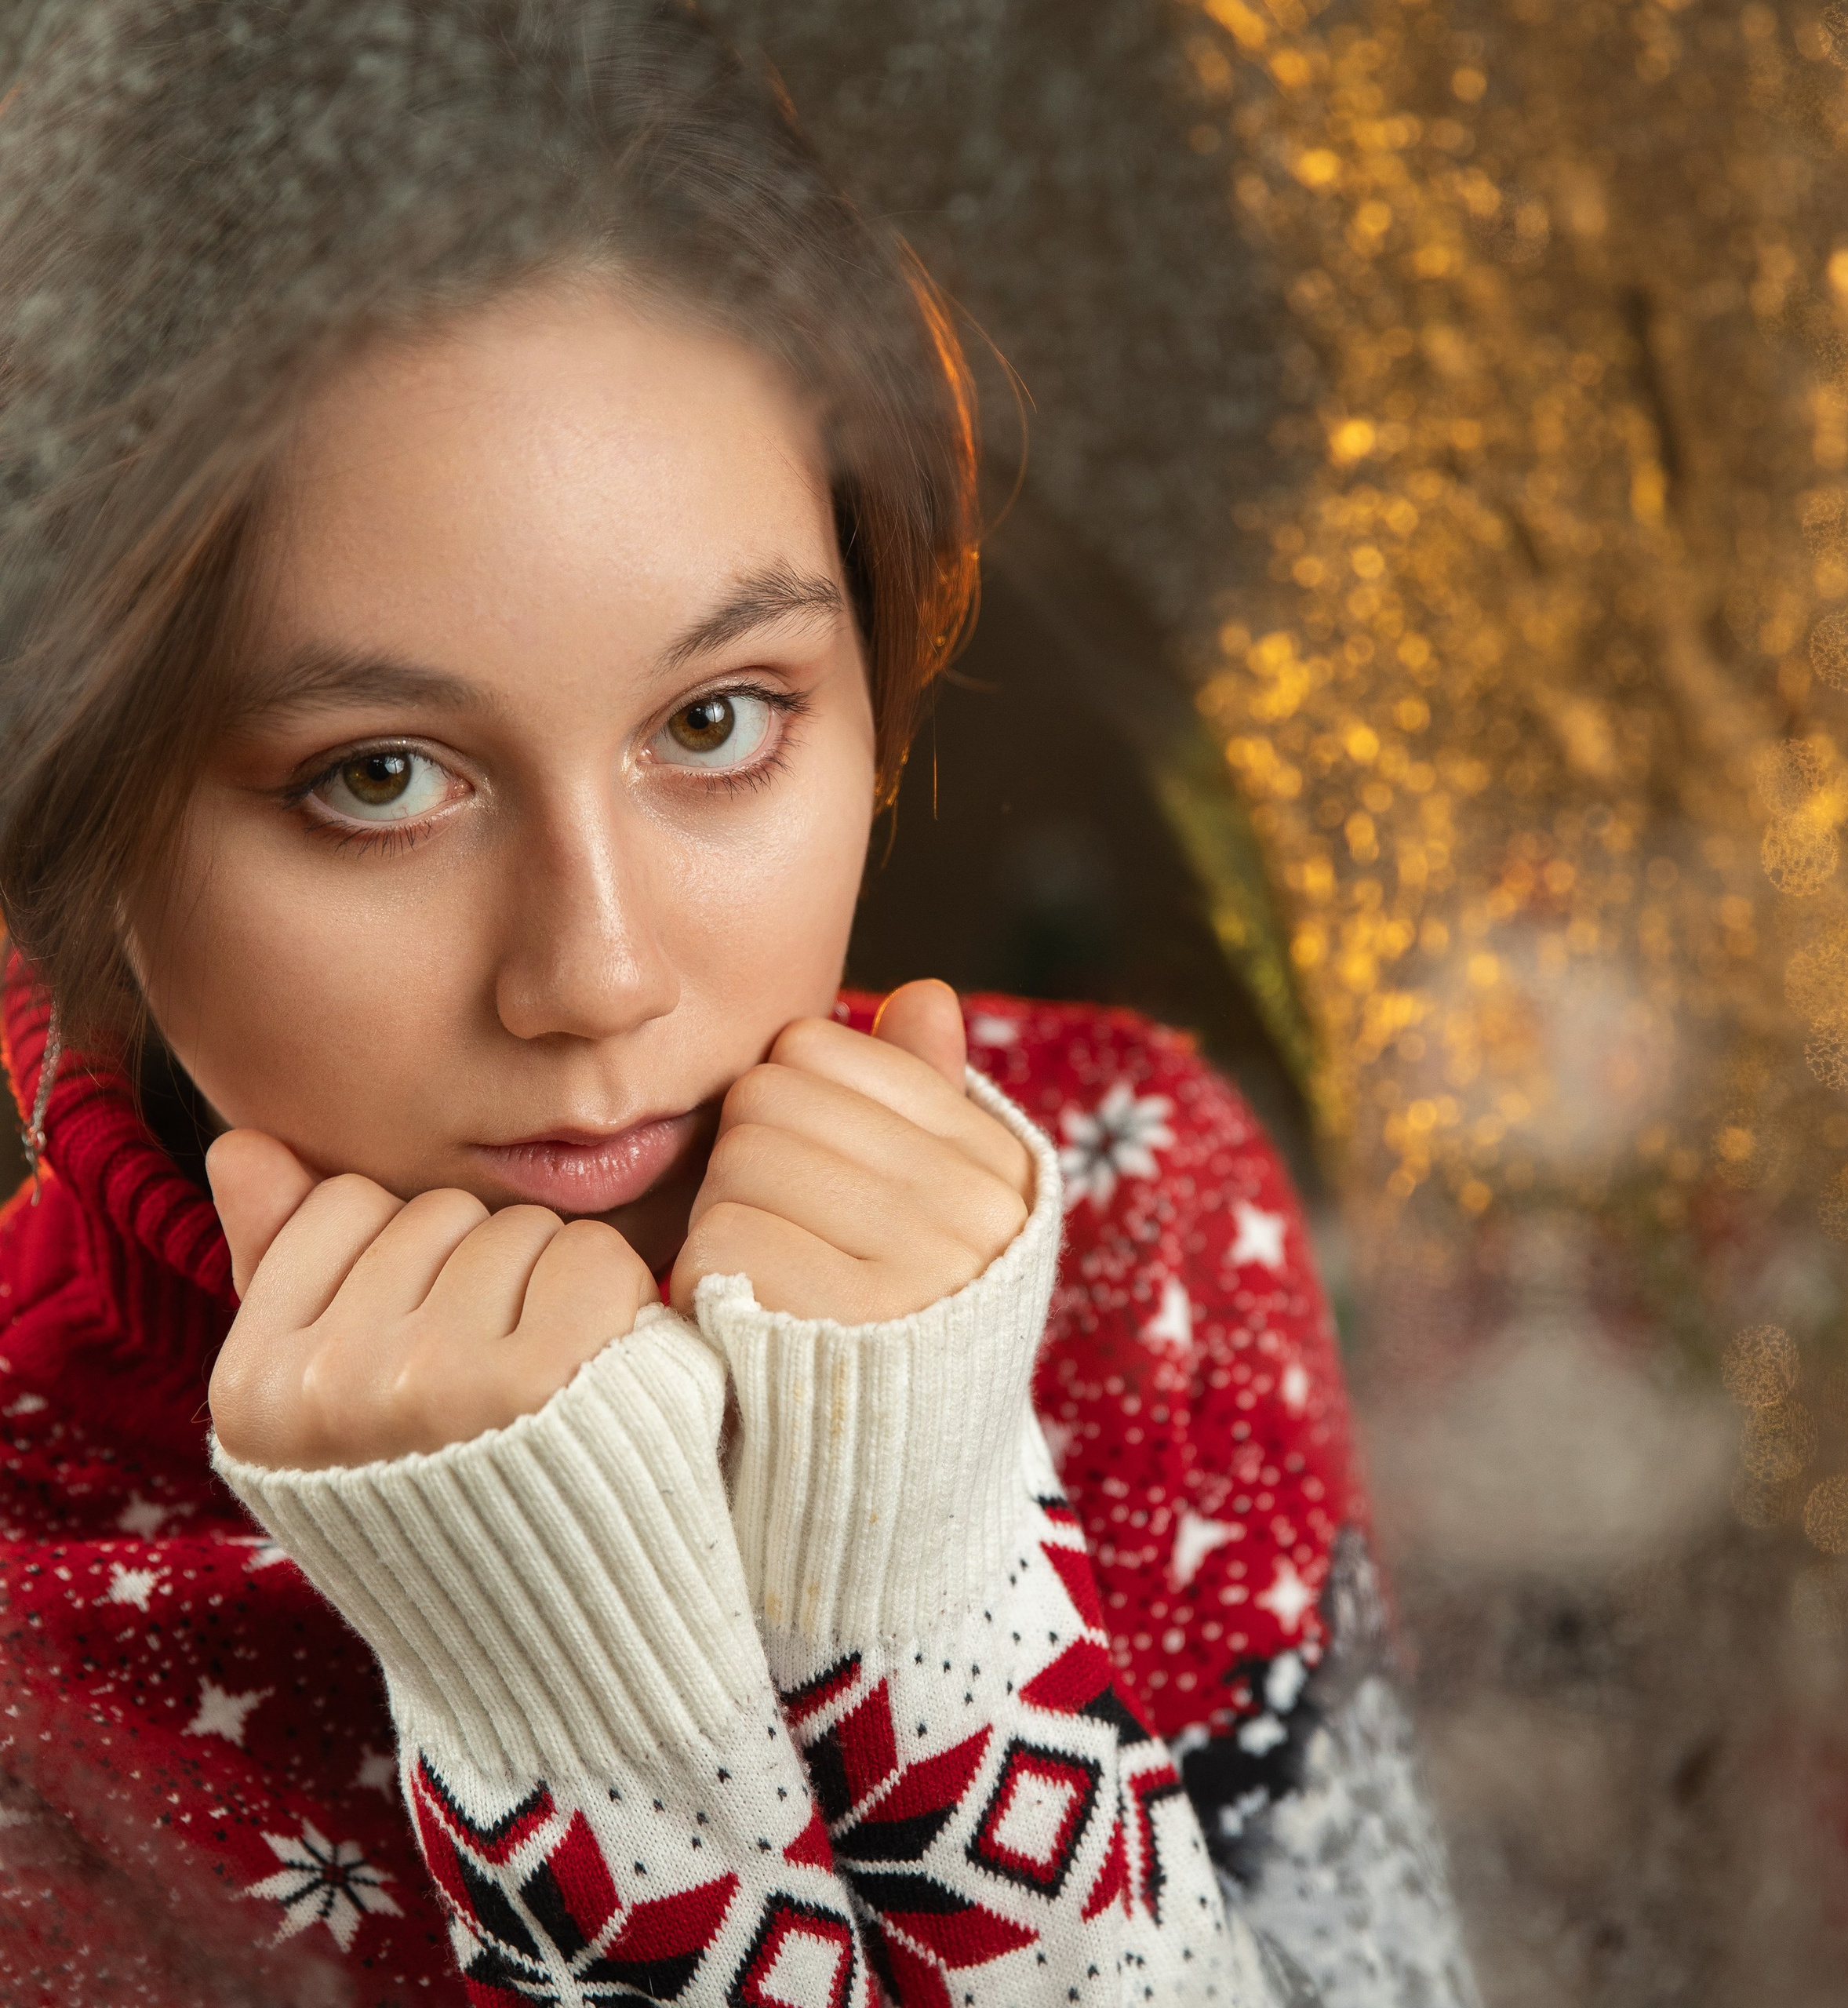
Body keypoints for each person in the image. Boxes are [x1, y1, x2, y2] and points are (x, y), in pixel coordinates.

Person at [0, 4, 1475, 2003]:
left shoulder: (1126, 1223)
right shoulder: (33, 1617)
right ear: (73, 804)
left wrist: (929, 1572)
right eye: (377, 776)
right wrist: (592, 1740)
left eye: (713, 719)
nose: (595, 973)